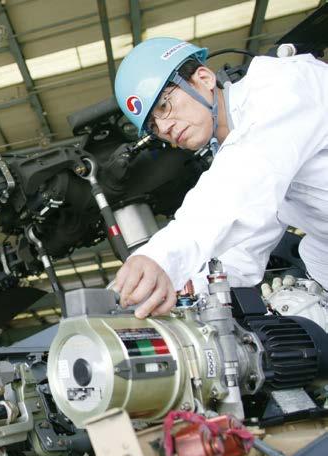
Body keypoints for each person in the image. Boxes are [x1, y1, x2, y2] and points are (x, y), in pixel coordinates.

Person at [112, 37, 328, 319]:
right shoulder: (240, 148)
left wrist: (160, 257)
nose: (164, 127)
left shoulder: (280, 86)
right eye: (153, 126)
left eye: (165, 106)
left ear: (203, 78)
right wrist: (184, 293)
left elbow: (240, 184)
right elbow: (243, 250)